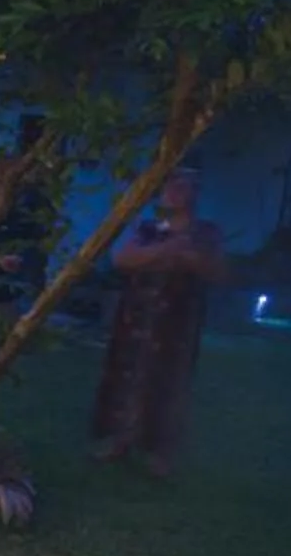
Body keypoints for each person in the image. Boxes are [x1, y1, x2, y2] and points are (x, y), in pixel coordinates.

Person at [89, 169, 225, 474]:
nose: (173, 193)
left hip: (177, 320)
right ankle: (120, 439)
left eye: (181, 188)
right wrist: (165, 251)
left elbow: (215, 270)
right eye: (169, 187)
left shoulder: (205, 232)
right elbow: (123, 259)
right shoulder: (151, 228)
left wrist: (183, 258)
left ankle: (160, 452)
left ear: (193, 195)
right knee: (127, 375)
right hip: (138, 315)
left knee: (169, 381)